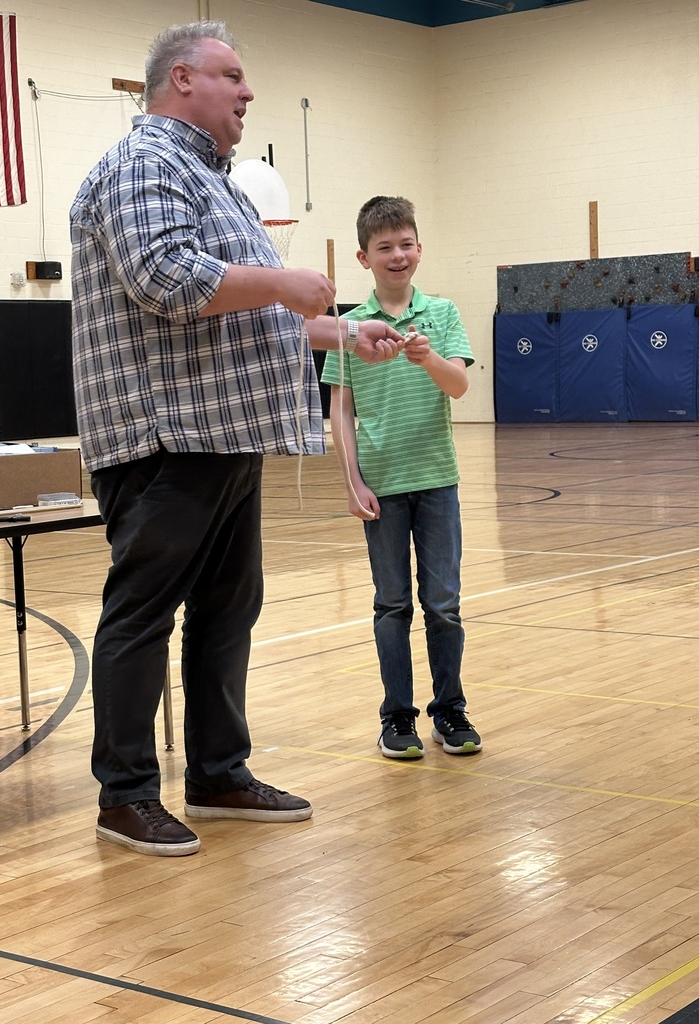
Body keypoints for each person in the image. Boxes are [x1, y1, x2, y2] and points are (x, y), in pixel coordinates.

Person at [70, 22, 404, 857]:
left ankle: (218, 772)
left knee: (227, 610)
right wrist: (285, 283)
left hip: (223, 432)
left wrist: (335, 333)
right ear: (181, 80)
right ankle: (125, 795)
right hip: (165, 433)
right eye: (233, 76)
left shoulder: (213, 183)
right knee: (142, 614)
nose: (249, 92)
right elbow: (166, 278)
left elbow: (248, 317)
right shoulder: (145, 162)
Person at [321, 196, 483, 761]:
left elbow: (459, 386)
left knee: (444, 602)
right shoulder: (346, 328)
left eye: (406, 244)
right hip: (381, 484)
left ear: (420, 249)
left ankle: (450, 710)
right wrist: (351, 482)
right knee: (392, 604)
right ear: (364, 257)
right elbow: (340, 410)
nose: (397, 255)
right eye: (384, 247)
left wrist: (428, 359)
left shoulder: (441, 314)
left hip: (438, 479)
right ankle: (397, 717)